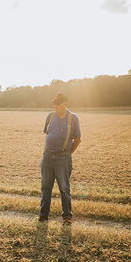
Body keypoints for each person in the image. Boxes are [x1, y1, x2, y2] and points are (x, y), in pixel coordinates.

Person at [39, 93, 81, 224]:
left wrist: (67, 153)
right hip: (47, 156)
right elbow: (48, 133)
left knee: (64, 187)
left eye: (58, 104)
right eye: (55, 104)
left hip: (63, 157)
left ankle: (67, 216)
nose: (55, 107)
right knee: (45, 186)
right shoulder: (50, 116)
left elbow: (78, 140)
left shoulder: (73, 118)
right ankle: (43, 215)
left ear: (65, 104)